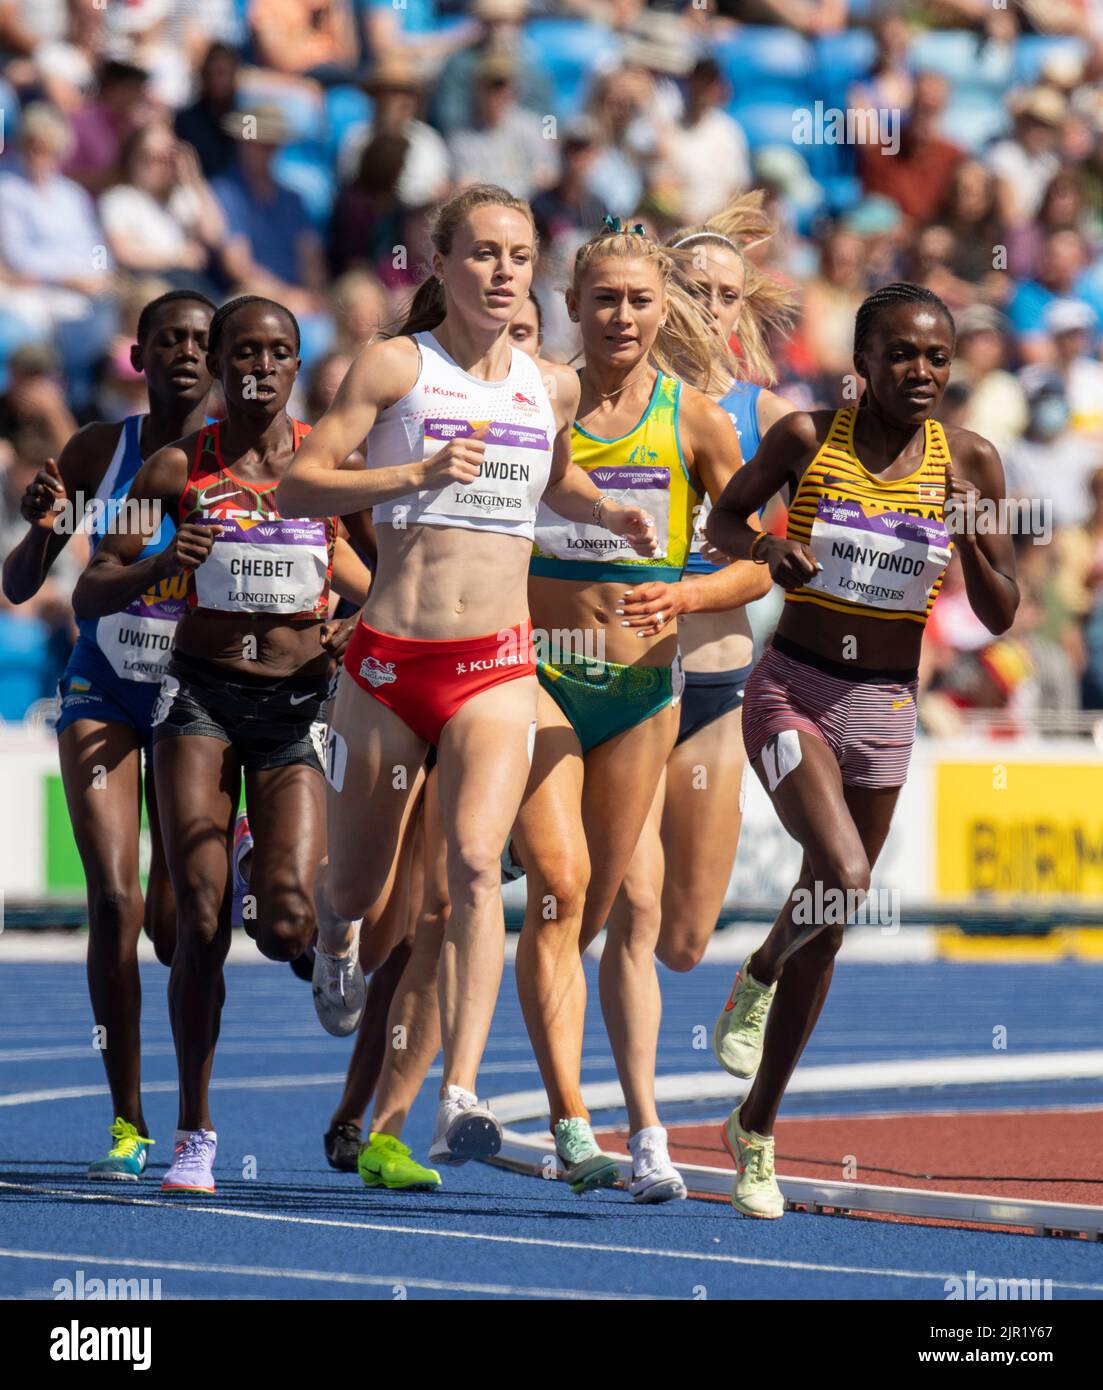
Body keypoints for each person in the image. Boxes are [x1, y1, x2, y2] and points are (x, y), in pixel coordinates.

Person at [276, 184, 656, 1168]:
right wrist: (410, 474)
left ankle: (462, 1090)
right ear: (439, 265)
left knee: (480, 866)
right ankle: (332, 939)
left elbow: (554, 472)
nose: (500, 271)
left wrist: (606, 512)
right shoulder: (399, 366)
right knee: (357, 887)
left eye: (518, 256)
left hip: (495, 661)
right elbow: (301, 481)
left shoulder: (549, 384)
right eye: (481, 253)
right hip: (391, 659)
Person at [703, 283, 1018, 1218]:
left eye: (935, 358)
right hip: (793, 688)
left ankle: (754, 1129)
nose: (919, 373)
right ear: (863, 363)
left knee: (830, 922)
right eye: (900, 356)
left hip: (884, 704)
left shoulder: (969, 461)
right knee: (840, 871)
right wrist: (767, 550)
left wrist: (967, 531)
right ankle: (757, 971)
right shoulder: (806, 439)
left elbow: (1000, 615)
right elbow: (723, 521)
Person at [72, 295, 373, 1195]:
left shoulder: (326, 464)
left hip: (294, 709)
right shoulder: (178, 465)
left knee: (281, 918)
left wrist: (356, 627)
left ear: (294, 364)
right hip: (197, 697)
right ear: (224, 361)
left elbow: (392, 581)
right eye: (245, 351)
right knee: (197, 921)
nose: (260, 367)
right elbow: (91, 593)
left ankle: (306, 927)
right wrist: (163, 563)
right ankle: (193, 1130)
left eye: (279, 352)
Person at [515, 215, 756, 1196]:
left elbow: (759, 558)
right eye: (602, 299)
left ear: (664, 312)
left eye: (637, 300)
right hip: (532, 678)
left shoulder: (694, 417)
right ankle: (554, 1115)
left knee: (645, 910)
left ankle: (644, 1129)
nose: (619, 315)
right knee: (554, 894)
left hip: (649, 684)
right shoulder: (530, 403)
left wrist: (689, 593)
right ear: (568, 306)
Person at [601, 194, 797, 1201]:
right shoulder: (620, 385)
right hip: (620, 675)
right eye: (697, 289)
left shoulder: (762, 418)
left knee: (682, 936)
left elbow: (776, 556)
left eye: (729, 294)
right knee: (629, 912)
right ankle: (642, 1135)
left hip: (717, 675)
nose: (712, 308)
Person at [1, 289, 216, 1180]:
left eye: (202, 341)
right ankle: (130, 1125)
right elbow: (21, 585)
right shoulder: (100, 449)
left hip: (199, 704)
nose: (186, 355)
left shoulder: (252, 456)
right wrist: (43, 528)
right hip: (104, 690)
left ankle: (192, 1118)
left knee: (179, 929)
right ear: (138, 357)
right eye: (167, 341)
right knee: (115, 904)